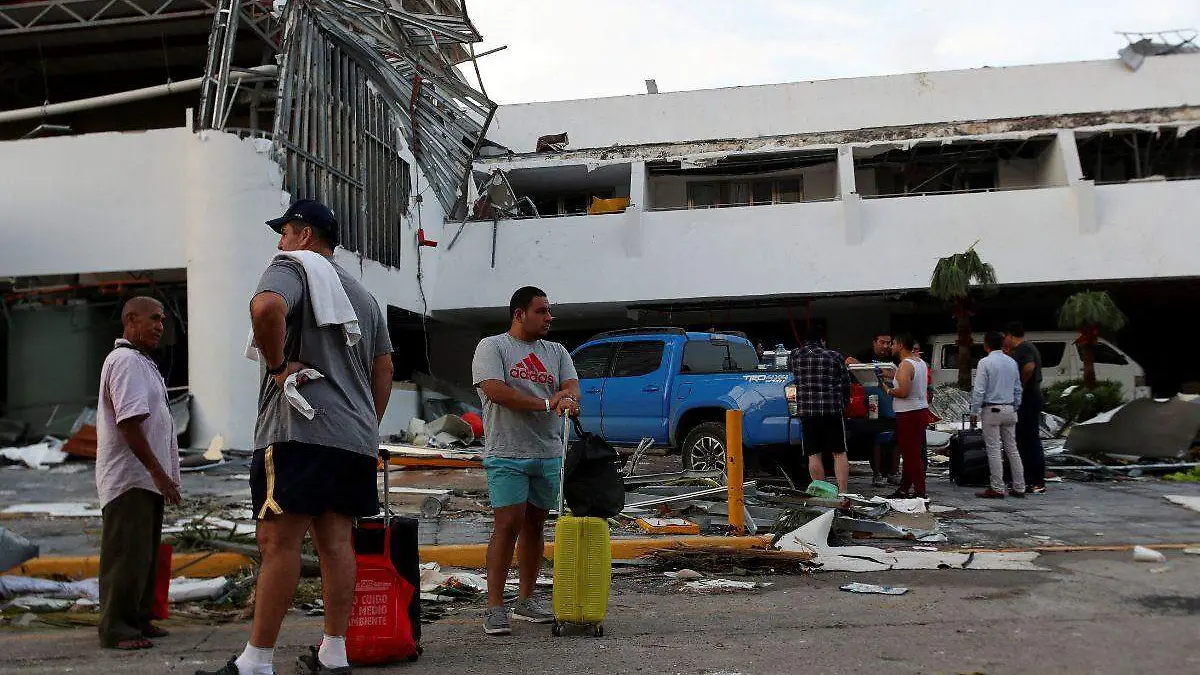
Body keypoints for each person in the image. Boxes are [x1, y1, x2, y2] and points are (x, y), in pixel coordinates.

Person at [198, 199, 394, 675]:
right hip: (351, 439)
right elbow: (384, 366)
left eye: (284, 231)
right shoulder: (362, 297)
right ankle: (334, 652)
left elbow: (266, 308)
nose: (279, 242)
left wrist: (278, 366)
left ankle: (256, 661)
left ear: (305, 236)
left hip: (298, 431)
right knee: (336, 543)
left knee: (277, 542)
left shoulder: (294, 266)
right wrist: (362, 422)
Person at [472, 287, 580, 636]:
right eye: (542, 311)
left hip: (548, 453)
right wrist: (548, 404)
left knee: (535, 526)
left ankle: (526, 600)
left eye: (549, 311)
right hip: (507, 453)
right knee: (507, 525)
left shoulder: (557, 351)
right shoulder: (493, 347)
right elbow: (496, 391)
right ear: (519, 314)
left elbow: (572, 388)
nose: (549, 317)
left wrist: (567, 398)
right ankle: (494, 607)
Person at [96, 296, 182, 651]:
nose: (161, 326)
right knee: (126, 553)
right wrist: (158, 472)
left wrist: (163, 475)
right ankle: (116, 627)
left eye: (162, 320)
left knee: (143, 554)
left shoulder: (143, 362)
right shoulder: (125, 361)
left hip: (145, 478)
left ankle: (139, 618)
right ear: (130, 320)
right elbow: (129, 423)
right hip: (130, 477)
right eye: (154, 319)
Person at [788, 328, 852, 493]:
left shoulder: (795, 356)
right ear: (822, 341)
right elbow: (846, 385)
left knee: (813, 454)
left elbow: (790, 372)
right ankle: (843, 492)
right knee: (839, 452)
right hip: (832, 411)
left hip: (808, 412)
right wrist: (843, 404)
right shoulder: (835, 356)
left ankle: (822, 492)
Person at [971, 332, 1026, 499]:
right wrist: (1015, 405)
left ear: (986, 345)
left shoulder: (985, 362)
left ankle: (997, 487)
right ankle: (1019, 486)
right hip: (1009, 409)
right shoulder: (1012, 362)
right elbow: (1018, 388)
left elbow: (979, 390)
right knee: (1012, 449)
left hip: (992, 409)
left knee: (994, 449)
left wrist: (974, 411)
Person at [845, 332, 898, 486]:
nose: (886, 346)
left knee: (895, 441)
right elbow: (849, 362)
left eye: (889, 343)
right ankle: (877, 474)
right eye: (883, 342)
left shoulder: (894, 358)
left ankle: (894, 472)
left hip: (892, 404)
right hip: (872, 405)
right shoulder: (865, 355)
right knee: (875, 440)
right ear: (874, 342)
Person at [884, 333, 930, 499]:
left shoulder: (905, 365)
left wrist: (887, 390)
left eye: (893, 343)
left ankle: (920, 492)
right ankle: (904, 488)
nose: (891, 346)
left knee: (911, 454)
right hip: (919, 410)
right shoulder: (920, 362)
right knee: (912, 452)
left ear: (901, 345)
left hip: (908, 413)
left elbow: (903, 391)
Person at [1006, 322, 1046, 494]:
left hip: (1029, 397)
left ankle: (1037, 479)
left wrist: (1020, 384)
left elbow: (1029, 367)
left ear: (1009, 335)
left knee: (1030, 439)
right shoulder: (1027, 348)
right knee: (1022, 439)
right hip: (1030, 396)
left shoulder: (1024, 348)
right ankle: (1026, 478)